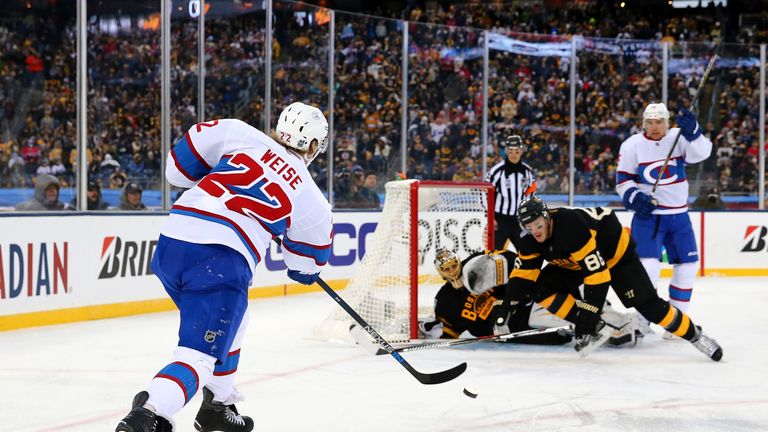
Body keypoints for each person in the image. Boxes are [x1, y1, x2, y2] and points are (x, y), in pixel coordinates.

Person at [116, 102, 332, 432]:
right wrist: (276, 227)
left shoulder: (237, 131)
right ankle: (148, 412)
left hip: (172, 243)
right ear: (315, 146)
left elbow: (176, 172)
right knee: (198, 357)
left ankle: (218, 404)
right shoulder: (313, 201)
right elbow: (303, 269)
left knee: (238, 318)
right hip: (219, 262)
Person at [493, 197, 722, 361]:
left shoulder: (570, 227)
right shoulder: (530, 240)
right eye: (530, 227)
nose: (536, 231)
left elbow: (598, 277)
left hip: (616, 256)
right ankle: (599, 328)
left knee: (650, 307)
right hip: (578, 261)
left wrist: (588, 317)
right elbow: (523, 276)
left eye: (539, 225)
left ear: (548, 218)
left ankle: (697, 336)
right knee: (541, 288)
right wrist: (505, 308)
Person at [616, 103, 713, 333]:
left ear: (667, 122)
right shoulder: (632, 145)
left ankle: (676, 322)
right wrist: (635, 197)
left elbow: (703, 152)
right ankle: (642, 320)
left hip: (679, 216)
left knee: (687, 268)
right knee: (647, 269)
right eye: (649, 122)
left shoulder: (679, 139)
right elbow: (623, 180)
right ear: (643, 123)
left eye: (659, 121)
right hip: (648, 218)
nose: (654, 126)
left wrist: (694, 132)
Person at [419, 248, 573, 345]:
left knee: (552, 290)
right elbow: (450, 332)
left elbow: (510, 259)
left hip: (515, 304)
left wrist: (509, 298)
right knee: (555, 337)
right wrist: (427, 332)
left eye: (453, 265)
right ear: (441, 273)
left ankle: (582, 315)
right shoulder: (444, 300)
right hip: (500, 329)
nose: (452, 271)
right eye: (447, 269)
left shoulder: (476, 264)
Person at [485, 135, 537, 251]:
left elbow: (531, 193)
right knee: (494, 253)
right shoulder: (496, 171)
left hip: (519, 220)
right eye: (511, 151)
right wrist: (490, 217)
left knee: (526, 252)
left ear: (521, 151)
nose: (513, 154)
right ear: (506, 151)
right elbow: (485, 194)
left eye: (517, 151)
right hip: (500, 220)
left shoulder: (528, 172)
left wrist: (528, 216)